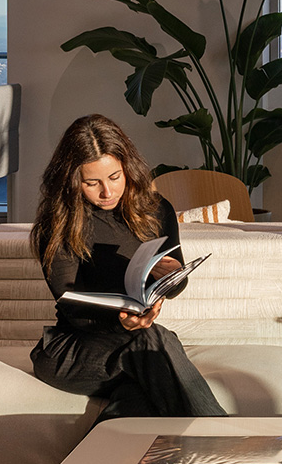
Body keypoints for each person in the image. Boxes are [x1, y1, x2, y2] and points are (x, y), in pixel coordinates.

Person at [29, 113, 223, 422]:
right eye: (92, 183)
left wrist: (171, 275)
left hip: (131, 346)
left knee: (140, 390)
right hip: (72, 350)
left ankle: (102, 453)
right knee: (156, 341)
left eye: (114, 177)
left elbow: (175, 286)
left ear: (127, 168)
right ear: (72, 180)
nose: (107, 192)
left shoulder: (156, 210)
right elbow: (74, 310)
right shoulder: (59, 224)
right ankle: (221, 434)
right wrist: (123, 323)